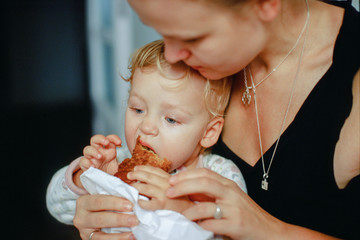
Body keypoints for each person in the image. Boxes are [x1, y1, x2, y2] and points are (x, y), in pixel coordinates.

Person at [66, 0, 359, 239]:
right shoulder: (194, 68)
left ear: (265, 4)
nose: (172, 55)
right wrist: (98, 222)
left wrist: (266, 229)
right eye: (162, 32)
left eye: (192, 37)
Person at [46, 40, 247, 239]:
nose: (146, 126)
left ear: (208, 133)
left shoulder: (220, 176)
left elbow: (235, 234)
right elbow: (56, 207)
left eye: (171, 119)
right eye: (138, 109)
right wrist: (89, 177)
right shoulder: (121, 162)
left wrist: (184, 209)